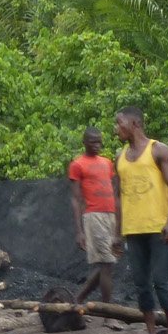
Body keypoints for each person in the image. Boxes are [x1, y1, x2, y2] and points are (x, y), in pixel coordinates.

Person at [112, 106, 168, 334]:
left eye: (119, 123)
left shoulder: (158, 150)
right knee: (141, 283)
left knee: (161, 280)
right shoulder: (119, 158)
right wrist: (117, 233)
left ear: (135, 124)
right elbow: (118, 198)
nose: (116, 128)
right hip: (133, 229)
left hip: (158, 228)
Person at [68, 127, 118, 303]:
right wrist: (79, 231)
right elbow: (76, 199)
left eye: (99, 141)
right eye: (93, 142)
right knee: (106, 263)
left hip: (110, 215)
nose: (97, 145)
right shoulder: (77, 165)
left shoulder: (107, 163)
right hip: (93, 215)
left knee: (107, 263)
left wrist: (119, 221)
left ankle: (79, 298)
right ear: (84, 142)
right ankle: (108, 313)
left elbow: (114, 191)